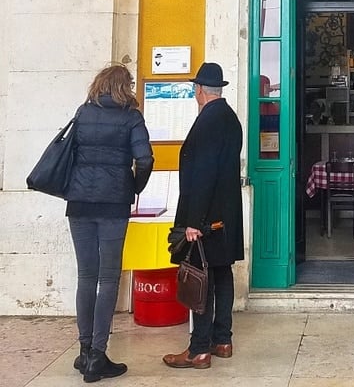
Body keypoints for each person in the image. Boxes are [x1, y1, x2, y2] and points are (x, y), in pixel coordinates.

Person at [65, 63, 154, 383]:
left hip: (79, 204)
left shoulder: (83, 112)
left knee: (86, 276)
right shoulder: (131, 116)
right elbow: (144, 158)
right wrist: (134, 186)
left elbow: (70, 153)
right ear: (125, 86)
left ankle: (85, 350)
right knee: (109, 277)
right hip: (113, 204)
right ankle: (99, 355)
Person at [163, 62, 244, 370]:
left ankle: (199, 350)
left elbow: (204, 175)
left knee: (200, 278)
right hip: (226, 216)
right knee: (222, 274)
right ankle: (223, 341)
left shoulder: (208, 121)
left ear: (199, 91)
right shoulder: (230, 118)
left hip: (206, 219)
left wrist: (193, 223)